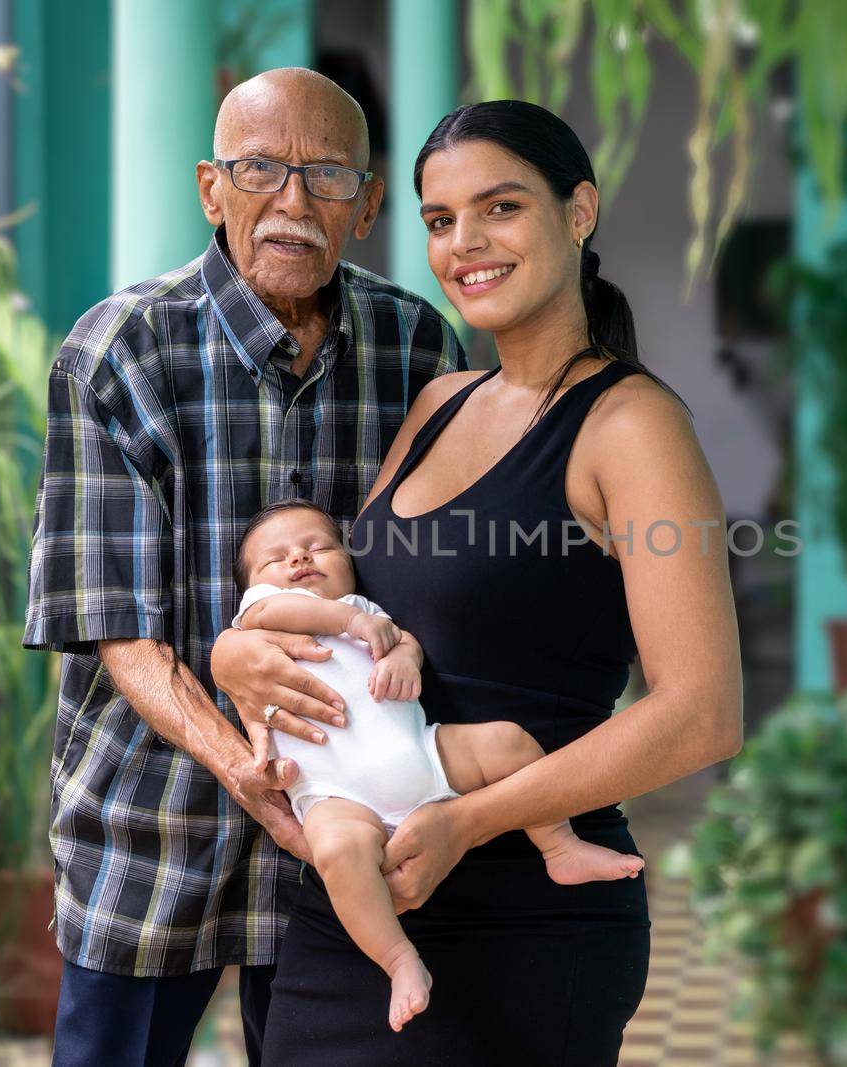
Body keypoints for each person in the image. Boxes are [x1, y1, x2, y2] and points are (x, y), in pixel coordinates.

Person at [213, 99, 744, 1065]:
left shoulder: (631, 427)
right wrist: (240, 647)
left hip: (524, 919)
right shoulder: (439, 403)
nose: (466, 244)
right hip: (361, 910)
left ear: (578, 211)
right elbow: (359, 600)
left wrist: (469, 819)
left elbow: (703, 712)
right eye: (440, 219)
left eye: (500, 207)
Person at [21, 68, 465, 1066]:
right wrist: (242, 763)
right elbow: (110, 621)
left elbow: (435, 579)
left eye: (326, 176)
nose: (293, 204)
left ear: (368, 205)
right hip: (152, 819)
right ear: (210, 188)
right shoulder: (117, 351)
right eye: (259, 169)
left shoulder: (421, 352)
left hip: (350, 817)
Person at [227, 498, 645, 1031]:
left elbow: (407, 643)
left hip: (424, 753)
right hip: (338, 794)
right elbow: (275, 609)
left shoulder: (369, 610)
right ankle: (399, 961)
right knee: (336, 853)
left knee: (508, 743)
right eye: (276, 558)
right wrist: (349, 619)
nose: (299, 560)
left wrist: (402, 657)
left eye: (318, 547)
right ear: (253, 585)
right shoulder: (265, 617)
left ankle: (560, 846)